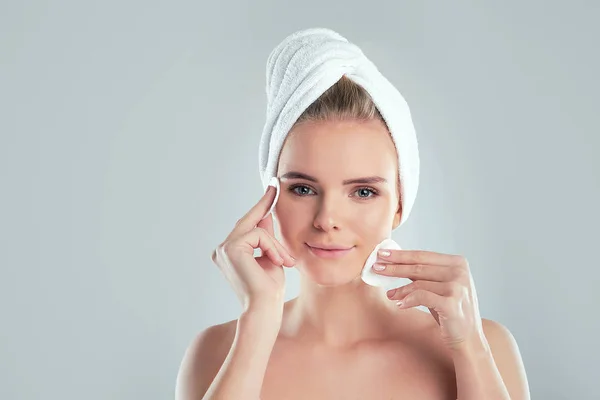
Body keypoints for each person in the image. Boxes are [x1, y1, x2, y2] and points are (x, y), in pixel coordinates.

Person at [176, 40, 530, 400]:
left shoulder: (482, 347)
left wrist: (470, 348)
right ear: (271, 198)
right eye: (303, 189)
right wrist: (259, 322)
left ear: (400, 203)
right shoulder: (216, 353)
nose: (327, 219)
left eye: (363, 191)